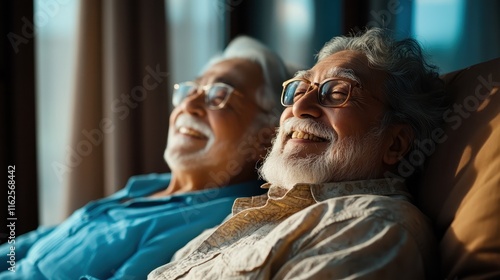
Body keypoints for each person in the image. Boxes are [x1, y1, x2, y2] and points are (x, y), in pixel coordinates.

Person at [148, 27, 449, 280]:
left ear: (395, 144)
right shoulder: (251, 215)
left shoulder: (374, 227)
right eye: (299, 89)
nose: (299, 108)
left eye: (336, 93)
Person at [0, 36, 292, 280]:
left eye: (219, 95)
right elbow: (35, 244)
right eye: (192, 89)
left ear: (263, 138)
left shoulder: (213, 219)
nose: (189, 104)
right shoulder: (145, 187)